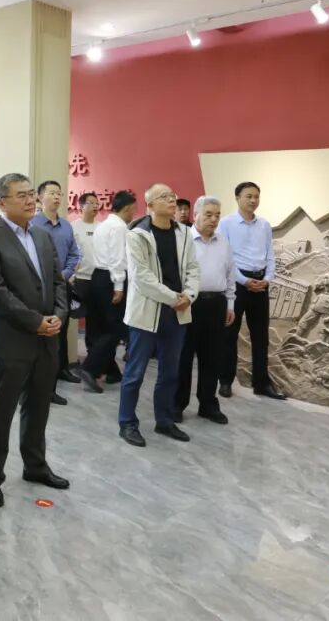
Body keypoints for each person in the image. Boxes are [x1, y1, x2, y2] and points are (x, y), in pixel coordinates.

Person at [0, 173, 70, 509]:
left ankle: (35, 465)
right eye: (22, 196)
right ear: (2, 203)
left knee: (38, 406)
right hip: (12, 338)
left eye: (31, 194)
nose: (31, 200)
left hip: (48, 337)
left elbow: (58, 282)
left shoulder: (42, 235)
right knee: (0, 410)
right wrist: (35, 322)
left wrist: (58, 316)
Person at [118, 183, 200, 448]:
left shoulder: (184, 233)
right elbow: (141, 277)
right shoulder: (137, 235)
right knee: (135, 372)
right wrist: (175, 297)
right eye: (164, 197)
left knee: (170, 372)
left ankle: (164, 421)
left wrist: (189, 295)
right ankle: (127, 423)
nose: (172, 200)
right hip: (147, 312)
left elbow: (193, 268)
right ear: (150, 205)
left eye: (172, 196)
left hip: (177, 313)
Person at [217, 182, 287, 400]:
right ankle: (226, 381)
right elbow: (224, 257)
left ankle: (261, 383)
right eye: (248, 196)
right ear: (237, 198)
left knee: (261, 336)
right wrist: (243, 280)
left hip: (260, 284)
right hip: (236, 284)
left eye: (256, 196)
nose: (253, 200)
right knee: (229, 334)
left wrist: (267, 279)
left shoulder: (264, 225)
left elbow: (270, 255)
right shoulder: (226, 223)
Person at [176, 196, 235, 425]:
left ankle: (208, 404)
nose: (214, 219)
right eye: (208, 214)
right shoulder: (183, 240)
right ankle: (177, 404)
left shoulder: (223, 242)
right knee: (183, 357)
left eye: (217, 215)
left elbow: (230, 275)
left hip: (217, 304)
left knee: (212, 357)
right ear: (196, 215)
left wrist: (230, 304)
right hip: (190, 304)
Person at [29, 179, 82, 405]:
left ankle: (58, 374)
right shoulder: (32, 224)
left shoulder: (66, 226)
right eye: (51, 193)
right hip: (39, 289)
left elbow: (75, 254)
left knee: (60, 331)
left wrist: (64, 274)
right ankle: (39, 389)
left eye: (59, 193)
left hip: (62, 286)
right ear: (40, 197)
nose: (57, 197)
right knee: (41, 337)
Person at [78, 191, 137, 391]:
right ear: (127, 208)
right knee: (116, 329)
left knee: (101, 327)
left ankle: (110, 371)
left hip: (97, 277)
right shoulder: (119, 228)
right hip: (111, 280)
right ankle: (89, 368)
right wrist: (119, 286)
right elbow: (118, 259)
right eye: (133, 209)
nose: (133, 213)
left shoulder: (103, 225)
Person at [71, 192, 101, 362]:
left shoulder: (102, 227)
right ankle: (72, 355)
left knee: (94, 319)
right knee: (74, 316)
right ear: (81, 206)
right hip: (78, 279)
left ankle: (92, 357)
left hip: (97, 279)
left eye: (97, 203)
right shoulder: (73, 227)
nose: (95, 206)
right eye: (91, 203)